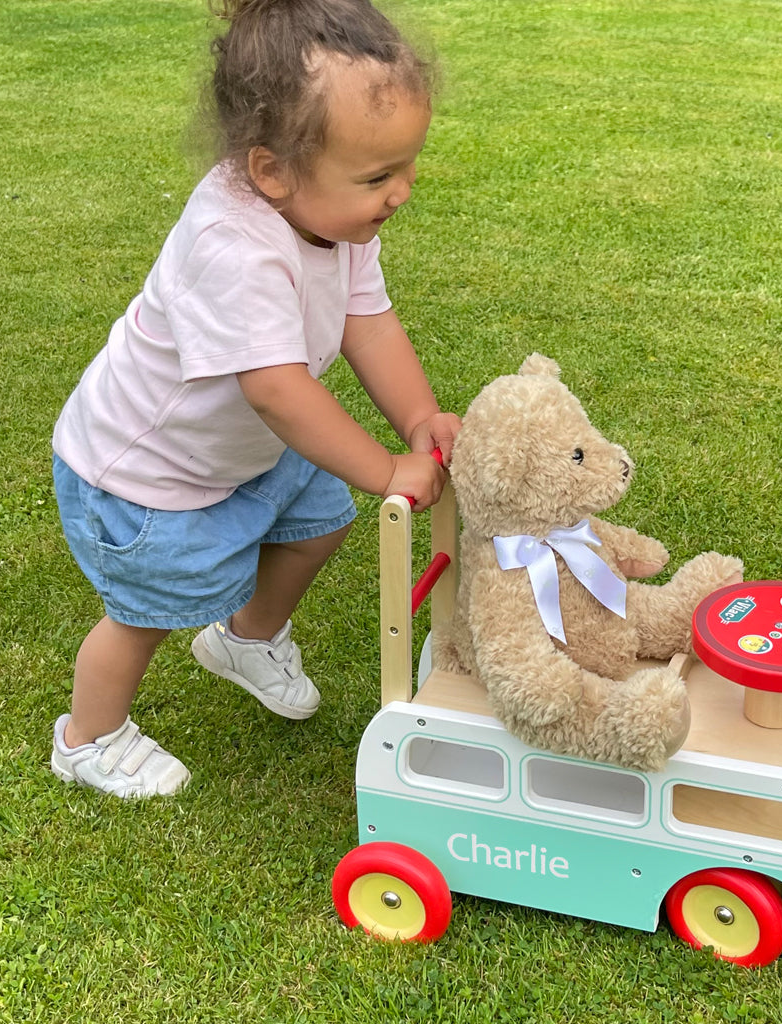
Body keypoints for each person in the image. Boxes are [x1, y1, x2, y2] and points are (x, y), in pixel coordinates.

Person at [49, 0, 461, 798]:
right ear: (271, 170)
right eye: (377, 175)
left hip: (240, 454)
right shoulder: (232, 246)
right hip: (143, 477)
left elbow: (367, 325)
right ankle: (87, 738)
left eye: (409, 164)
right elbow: (275, 389)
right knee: (145, 615)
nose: (402, 192)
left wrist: (416, 419)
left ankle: (247, 637)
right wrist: (384, 466)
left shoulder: (334, 226)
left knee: (320, 521)